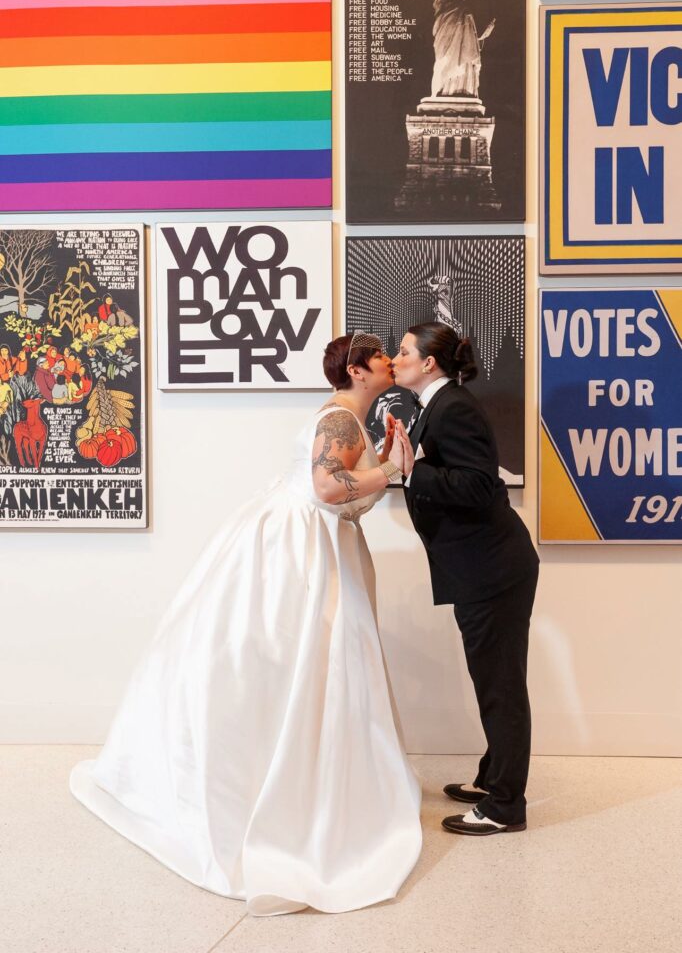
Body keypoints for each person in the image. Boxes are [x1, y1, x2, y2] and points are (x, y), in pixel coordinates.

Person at [70, 332, 421, 916]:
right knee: (308, 657)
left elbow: (340, 499)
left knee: (298, 663)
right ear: (360, 371)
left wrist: (384, 463)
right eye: (382, 355)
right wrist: (389, 469)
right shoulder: (339, 419)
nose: (391, 360)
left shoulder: (344, 417)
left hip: (304, 537)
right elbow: (327, 487)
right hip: (300, 549)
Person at [393, 323, 539, 836]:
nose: (395, 358)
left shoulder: (451, 406)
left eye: (404, 351)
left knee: (500, 686)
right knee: (494, 680)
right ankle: (491, 779)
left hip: (493, 569)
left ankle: (505, 807)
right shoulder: (437, 404)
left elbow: (480, 486)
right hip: (483, 565)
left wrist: (414, 472)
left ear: (429, 363)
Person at [430, 0, 495, 99]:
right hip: (446, 42)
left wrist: (485, 34)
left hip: (465, 49)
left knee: (465, 63)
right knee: (444, 63)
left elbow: (473, 38)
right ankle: (443, 90)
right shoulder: (444, 5)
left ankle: (462, 90)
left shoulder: (467, 10)